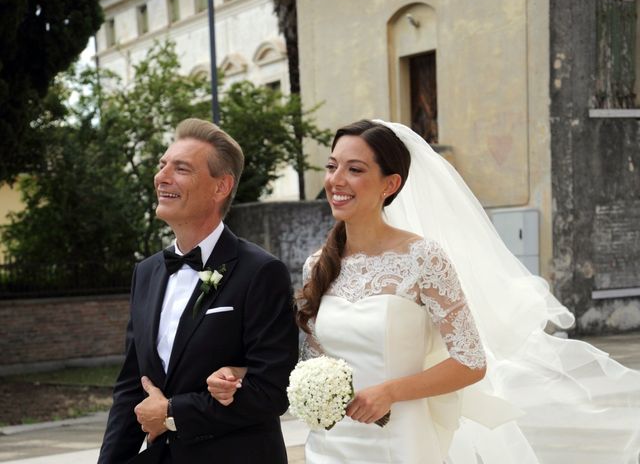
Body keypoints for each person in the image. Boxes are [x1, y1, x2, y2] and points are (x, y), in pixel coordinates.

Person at [210, 119, 640, 463]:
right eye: (332, 165)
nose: (336, 179)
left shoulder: (423, 258)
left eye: (355, 169)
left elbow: (470, 362)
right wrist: (244, 375)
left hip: (401, 439)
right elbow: (314, 361)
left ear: (389, 184)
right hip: (333, 441)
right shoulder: (318, 263)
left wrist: (391, 391)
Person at [98, 118, 299, 464]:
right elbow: (133, 386)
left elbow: (271, 390)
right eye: (162, 165)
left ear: (220, 187)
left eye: (181, 169)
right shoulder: (145, 273)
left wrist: (173, 412)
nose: (162, 177)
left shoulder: (261, 272)